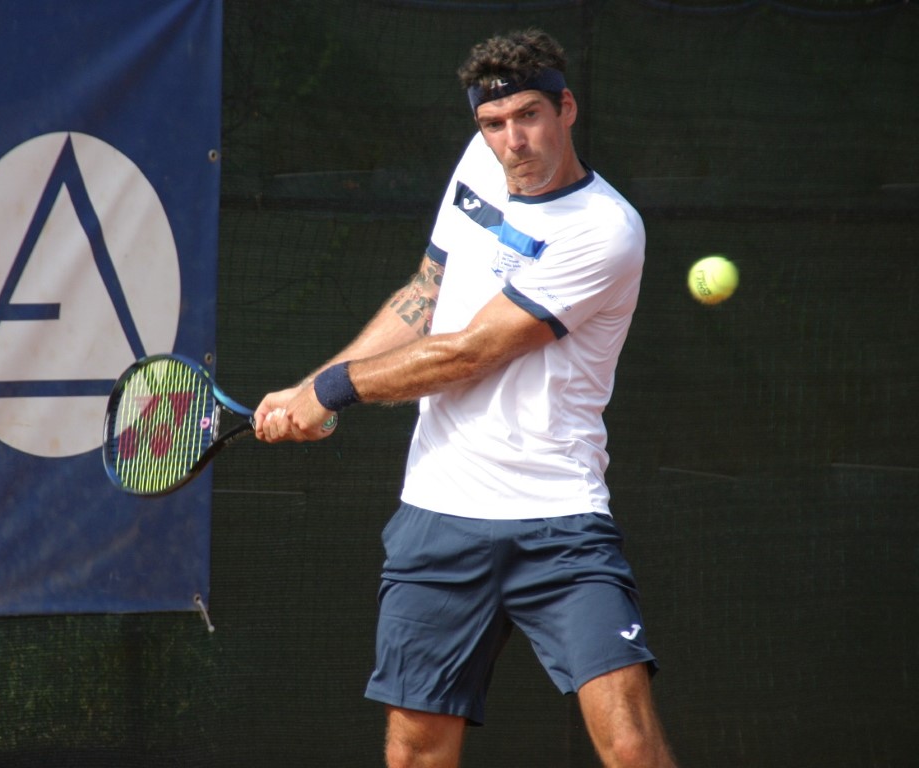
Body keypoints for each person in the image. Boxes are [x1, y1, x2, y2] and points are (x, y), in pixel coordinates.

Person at [254, 27, 677, 768]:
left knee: (630, 745)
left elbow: (470, 351)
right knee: (415, 752)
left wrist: (331, 391)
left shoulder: (605, 231)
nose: (512, 141)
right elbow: (425, 295)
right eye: (492, 122)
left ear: (565, 109)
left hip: (559, 518)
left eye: (529, 116)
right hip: (439, 512)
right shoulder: (480, 165)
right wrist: (307, 388)